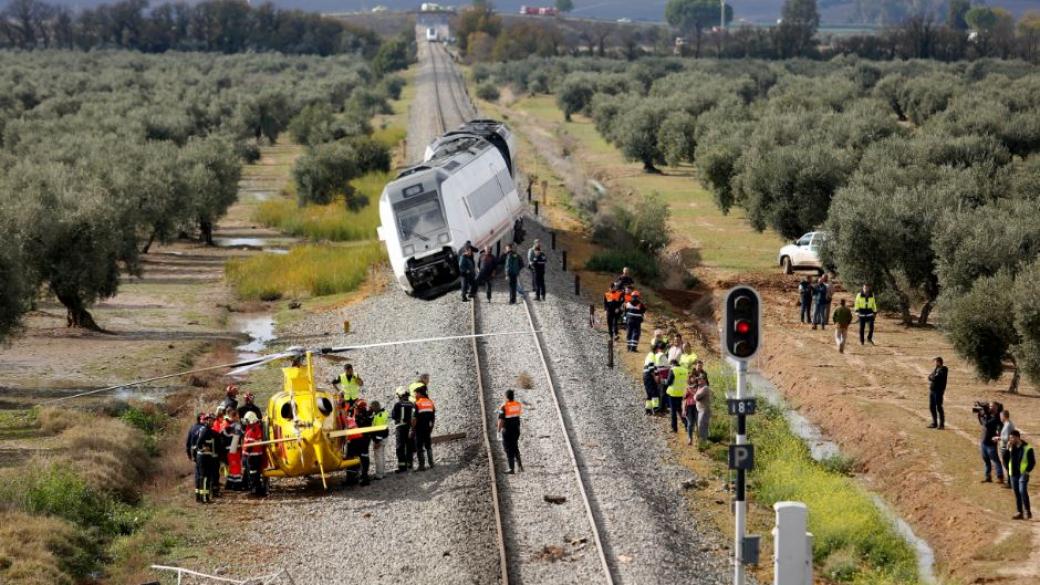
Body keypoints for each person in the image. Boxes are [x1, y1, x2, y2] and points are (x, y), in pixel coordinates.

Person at [1008, 430, 1035, 519]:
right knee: (1016, 493)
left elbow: (1032, 462)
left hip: (1023, 473)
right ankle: (1019, 512)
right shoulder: (1012, 446)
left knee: (1022, 491)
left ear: (1017, 437)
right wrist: (1008, 449)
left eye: (1011, 438)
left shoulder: (1028, 448)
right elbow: (1006, 459)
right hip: (1013, 473)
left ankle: (1027, 511)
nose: (1010, 439)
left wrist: (1027, 471)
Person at [347, 400, 372, 486]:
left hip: (358, 441)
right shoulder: (367, 415)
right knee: (362, 458)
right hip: (362, 440)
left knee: (354, 458)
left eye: (356, 408)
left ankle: (356, 478)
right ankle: (360, 477)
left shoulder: (360, 417)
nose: (355, 409)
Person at [498, 390, 524, 474]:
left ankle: (511, 468)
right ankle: (520, 466)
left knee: (508, 449)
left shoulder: (503, 406)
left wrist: (498, 431)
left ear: (506, 397)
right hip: (516, 430)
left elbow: (501, 420)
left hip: (507, 431)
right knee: (515, 446)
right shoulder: (517, 404)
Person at [391, 386, 416, 472]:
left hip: (400, 428)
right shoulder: (412, 404)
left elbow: (394, 416)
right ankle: (409, 464)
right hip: (410, 428)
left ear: (399, 395)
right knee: (409, 446)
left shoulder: (397, 404)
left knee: (400, 447)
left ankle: (402, 467)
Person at [242, 411, 267, 497]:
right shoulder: (252, 428)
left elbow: (251, 445)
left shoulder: (254, 429)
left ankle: (256, 490)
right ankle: (256, 489)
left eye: (248, 421)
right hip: (252, 456)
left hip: (253, 456)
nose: (247, 423)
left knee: (254, 474)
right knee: (254, 474)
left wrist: (246, 454)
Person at [979, 402, 1005, 484]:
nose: (990, 408)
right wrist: (982, 414)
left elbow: (986, 424)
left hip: (990, 443)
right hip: (983, 441)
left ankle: (1000, 477)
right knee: (986, 460)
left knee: (995, 460)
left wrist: (985, 415)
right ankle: (988, 477)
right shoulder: (989, 415)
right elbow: (982, 422)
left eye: (992, 406)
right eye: (990, 406)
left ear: (997, 408)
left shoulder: (997, 417)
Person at [663, 359, 689, 433]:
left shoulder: (673, 370)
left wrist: (663, 381)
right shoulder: (685, 370)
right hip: (681, 392)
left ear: (672, 364)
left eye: (670, 365)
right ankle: (687, 424)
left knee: (673, 411)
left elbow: (668, 382)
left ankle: (674, 428)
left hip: (673, 393)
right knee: (680, 410)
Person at [414, 386, 436, 471]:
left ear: (420, 394)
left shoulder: (417, 403)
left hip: (419, 428)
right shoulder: (430, 402)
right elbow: (433, 417)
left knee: (419, 446)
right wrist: (431, 428)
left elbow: (414, 419)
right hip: (428, 428)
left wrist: (412, 429)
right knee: (428, 445)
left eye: (416, 393)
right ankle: (431, 463)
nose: (415, 395)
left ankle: (422, 466)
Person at [223, 410, 245, 491]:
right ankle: (237, 485)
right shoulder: (237, 426)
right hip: (234, 450)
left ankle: (229, 484)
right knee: (236, 468)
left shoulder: (227, 426)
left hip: (229, 450)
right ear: (234, 417)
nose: (238, 417)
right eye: (237, 416)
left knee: (232, 468)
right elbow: (242, 434)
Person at [642, 344, 665, 415]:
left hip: (646, 375)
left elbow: (654, 368)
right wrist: (655, 377)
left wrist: (657, 374)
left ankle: (648, 409)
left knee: (649, 393)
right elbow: (651, 368)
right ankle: (656, 410)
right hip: (649, 376)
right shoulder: (652, 355)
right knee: (654, 393)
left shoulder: (649, 355)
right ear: (656, 349)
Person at [370, 400, 389, 480]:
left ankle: (379, 474)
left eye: (371, 408)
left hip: (380, 439)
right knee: (382, 456)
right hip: (384, 437)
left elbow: (379, 430)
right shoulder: (383, 413)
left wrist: (377, 442)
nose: (370, 409)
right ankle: (383, 472)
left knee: (378, 457)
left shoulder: (379, 416)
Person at [927, 357, 948, 429]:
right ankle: (934, 423)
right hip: (932, 390)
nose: (935, 363)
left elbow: (936, 378)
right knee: (931, 406)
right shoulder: (936, 369)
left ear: (939, 361)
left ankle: (941, 424)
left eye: (936, 361)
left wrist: (932, 377)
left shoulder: (944, 369)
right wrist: (932, 377)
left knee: (939, 407)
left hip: (938, 391)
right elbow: (929, 377)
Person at [998, 410, 1016, 489]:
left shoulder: (1008, 425)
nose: (1000, 418)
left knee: (1007, 466)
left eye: (1001, 416)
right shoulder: (1007, 423)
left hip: (1006, 448)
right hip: (1006, 447)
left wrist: (999, 438)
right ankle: (1010, 481)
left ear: (1004, 416)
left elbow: (1007, 437)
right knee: (1008, 466)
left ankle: (1010, 483)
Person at [694, 378, 712, 444]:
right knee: (702, 425)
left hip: (704, 409)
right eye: (698, 380)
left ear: (704, 380)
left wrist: (695, 395)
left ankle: (703, 441)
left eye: (700, 379)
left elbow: (696, 397)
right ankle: (704, 440)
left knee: (702, 425)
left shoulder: (705, 388)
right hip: (700, 409)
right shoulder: (700, 388)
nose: (698, 381)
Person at [682, 377, 698, 446]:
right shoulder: (686, 388)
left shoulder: (699, 388)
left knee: (698, 423)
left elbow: (697, 396)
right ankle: (690, 438)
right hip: (689, 407)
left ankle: (699, 439)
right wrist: (683, 409)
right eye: (691, 378)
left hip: (697, 407)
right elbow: (684, 398)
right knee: (690, 423)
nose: (693, 379)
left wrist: (691, 391)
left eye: (693, 378)